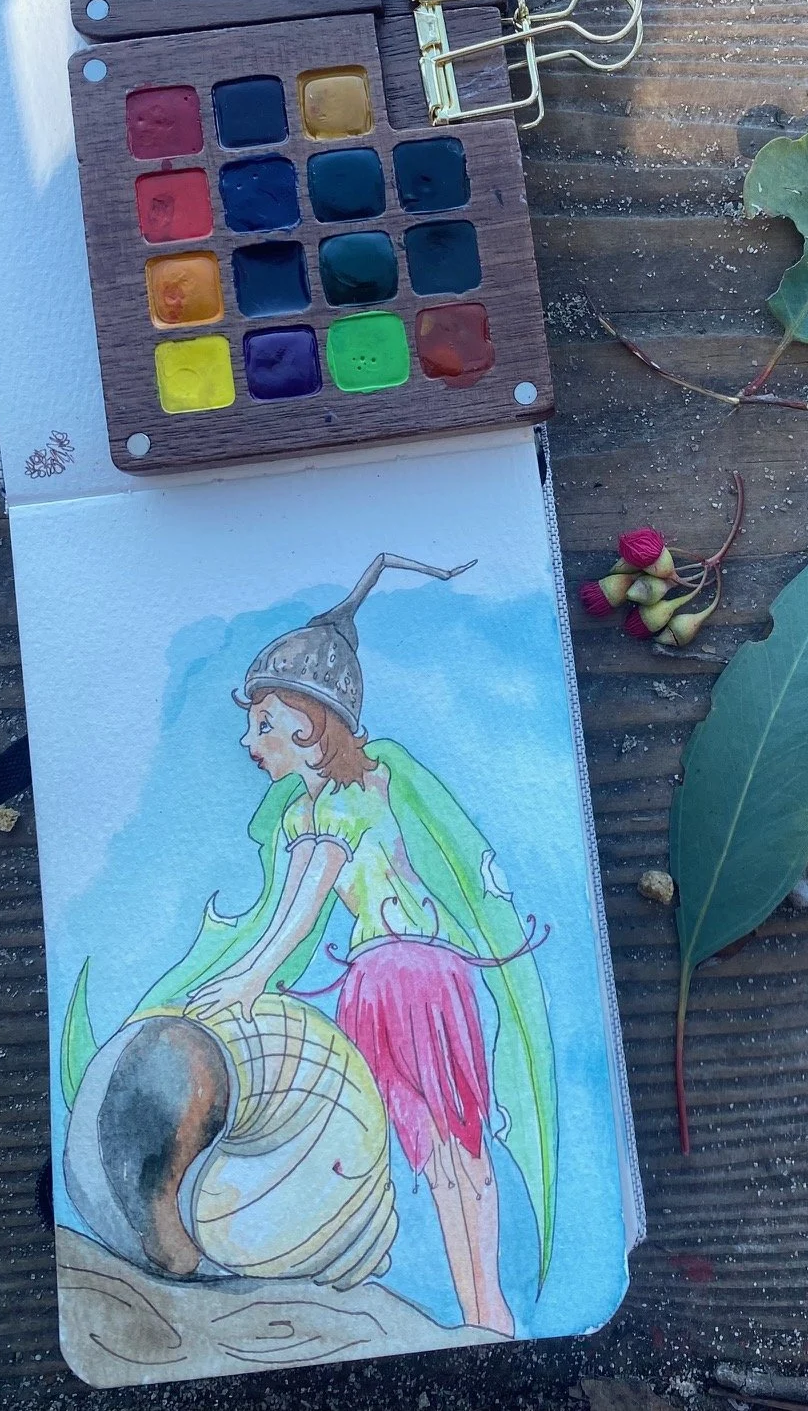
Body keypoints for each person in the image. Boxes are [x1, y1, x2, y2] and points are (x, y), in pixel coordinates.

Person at [169, 554, 554, 1334]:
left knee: (455, 1145)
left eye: (265, 722)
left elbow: (302, 911)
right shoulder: (320, 805)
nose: (249, 739)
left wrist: (247, 981)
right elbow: (286, 916)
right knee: (430, 1150)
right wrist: (245, 974)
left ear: (310, 725)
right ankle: (478, 1309)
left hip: (412, 976)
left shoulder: (348, 801)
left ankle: (489, 1306)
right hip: (380, 983)